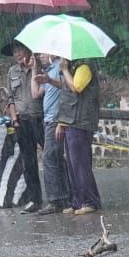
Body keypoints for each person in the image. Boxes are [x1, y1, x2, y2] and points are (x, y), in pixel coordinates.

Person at [56, 57, 102, 215]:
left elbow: (76, 87)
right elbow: (67, 95)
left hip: (81, 122)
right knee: (72, 164)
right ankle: (77, 201)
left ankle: (90, 201)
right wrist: (61, 122)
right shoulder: (73, 67)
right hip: (70, 121)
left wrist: (64, 70)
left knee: (81, 164)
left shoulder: (85, 67)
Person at [3, 41, 44, 213]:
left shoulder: (40, 68)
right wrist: (14, 118)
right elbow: (10, 98)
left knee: (52, 158)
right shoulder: (12, 72)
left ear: (28, 50)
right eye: (14, 52)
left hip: (40, 118)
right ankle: (35, 200)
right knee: (28, 162)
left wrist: (35, 68)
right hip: (22, 121)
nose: (17, 54)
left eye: (20, 50)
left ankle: (63, 196)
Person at [31, 54, 70, 216]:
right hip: (48, 119)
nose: (41, 56)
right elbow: (35, 94)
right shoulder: (49, 70)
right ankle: (65, 196)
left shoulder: (62, 65)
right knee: (57, 158)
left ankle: (55, 200)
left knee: (49, 158)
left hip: (56, 118)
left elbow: (68, 86)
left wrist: (50, 80)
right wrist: (34, 69)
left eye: (43, 53)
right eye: (39, 54)